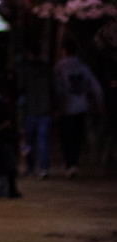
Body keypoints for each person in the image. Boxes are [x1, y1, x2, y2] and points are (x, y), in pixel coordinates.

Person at [55, 38, 104, 177]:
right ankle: (74, 164)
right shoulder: (82, 66)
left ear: (64, 50)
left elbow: (58, 88)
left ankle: (70, 164)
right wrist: (100, 102)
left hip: (66, 106)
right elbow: (96, 86)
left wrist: (57, 105)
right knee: (77, 137)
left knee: (67, 137)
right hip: (81, 106)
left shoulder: (60, 66)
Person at [18, 43, 53, 178]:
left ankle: (31, 168)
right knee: (43, 140)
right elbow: (53, 88)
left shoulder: (26, 70)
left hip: (31, 109)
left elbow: (21, 87)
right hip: (45, 108)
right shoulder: (47, 69)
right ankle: (43, 168)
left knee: (30, 141)